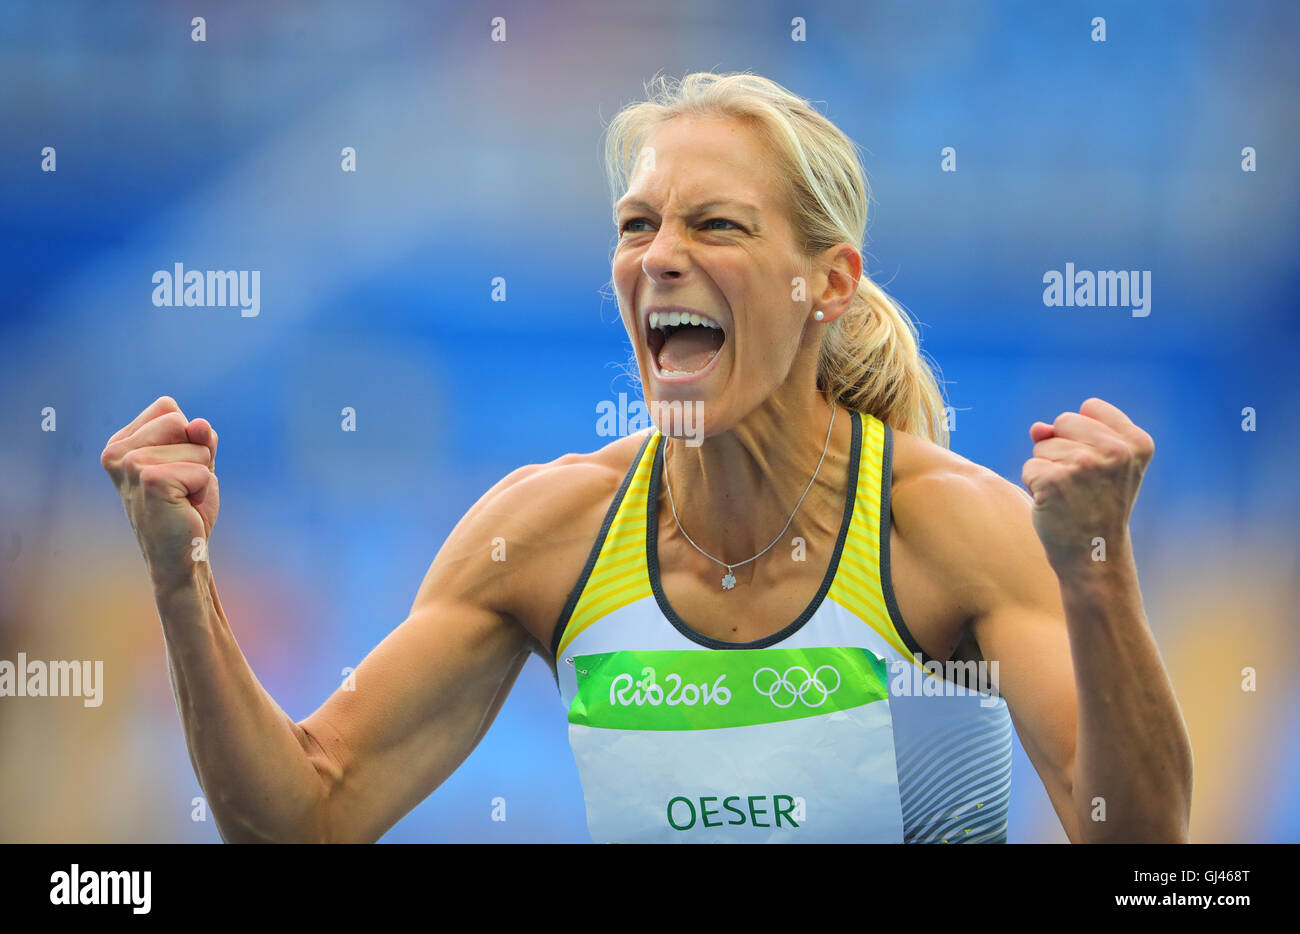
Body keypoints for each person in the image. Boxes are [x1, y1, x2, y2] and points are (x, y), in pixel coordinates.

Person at [100, 71, 1192, 843]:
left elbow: (1145, 854)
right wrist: (177, 577)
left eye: (715, 226)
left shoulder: (946, 529)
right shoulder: (544, 534)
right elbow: (306, 819)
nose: (661, 257)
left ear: (831, 283)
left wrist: (1095, 570)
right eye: (636, 227)